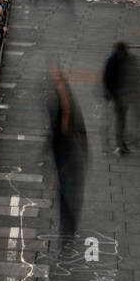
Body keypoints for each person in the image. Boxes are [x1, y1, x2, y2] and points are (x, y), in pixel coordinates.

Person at [47, 64, 87, 237]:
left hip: (68, 151)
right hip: (63, 150)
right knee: (66, 189)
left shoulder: (64, 103)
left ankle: (68, 224)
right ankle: (68, 224)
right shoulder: (60, 100)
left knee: (67, 188)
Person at [102, 41, 137, 155]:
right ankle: (118, 145)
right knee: (118, 120)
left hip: (121, 95)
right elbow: (109, 79)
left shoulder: (121, 59)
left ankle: (119, 144)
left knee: (120, 120)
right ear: (121, 51)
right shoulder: (113, 61)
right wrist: (111, 95)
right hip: (117, 96)